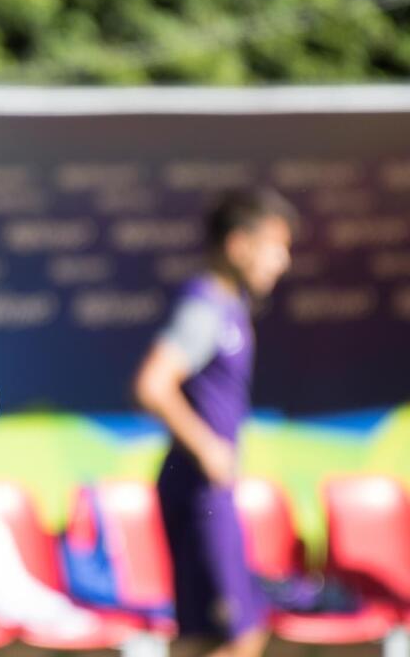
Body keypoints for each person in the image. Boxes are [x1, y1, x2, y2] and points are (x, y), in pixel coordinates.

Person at [133, 189, 296, 657]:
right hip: (196, 487)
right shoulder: (205, 306)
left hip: (203, 489)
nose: (282, 262)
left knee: (207, 637)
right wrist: (207, 448)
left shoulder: (231, 307)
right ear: (239, 245)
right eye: (275, 246)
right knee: (236, 636)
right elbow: (152, 385)